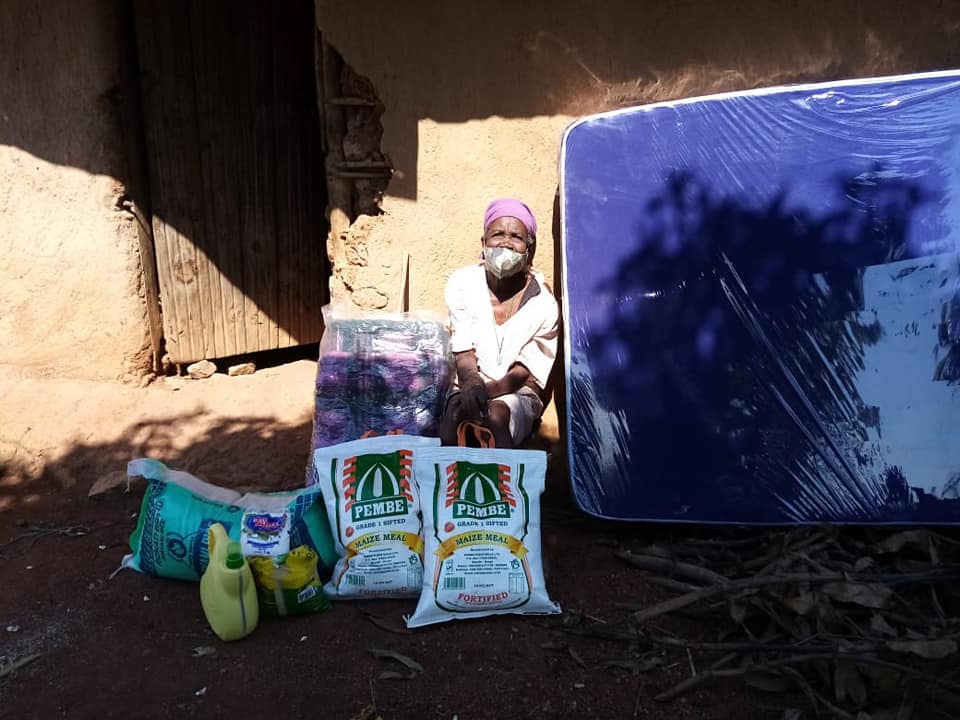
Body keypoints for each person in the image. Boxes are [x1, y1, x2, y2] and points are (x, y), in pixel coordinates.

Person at [440, 198, 559, 448]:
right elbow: (463, 351)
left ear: (529, 249)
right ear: (484, 242)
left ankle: (504, 474)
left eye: (516, 237)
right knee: (453, 418)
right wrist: (472, 383)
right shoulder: (463, 284)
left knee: (496, 417)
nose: (506, 243)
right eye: (497, 235)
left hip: (517, 392)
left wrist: (488, 391)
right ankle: (451, 474)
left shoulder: (543, 304)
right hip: (468, 383)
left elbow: (524, 372)